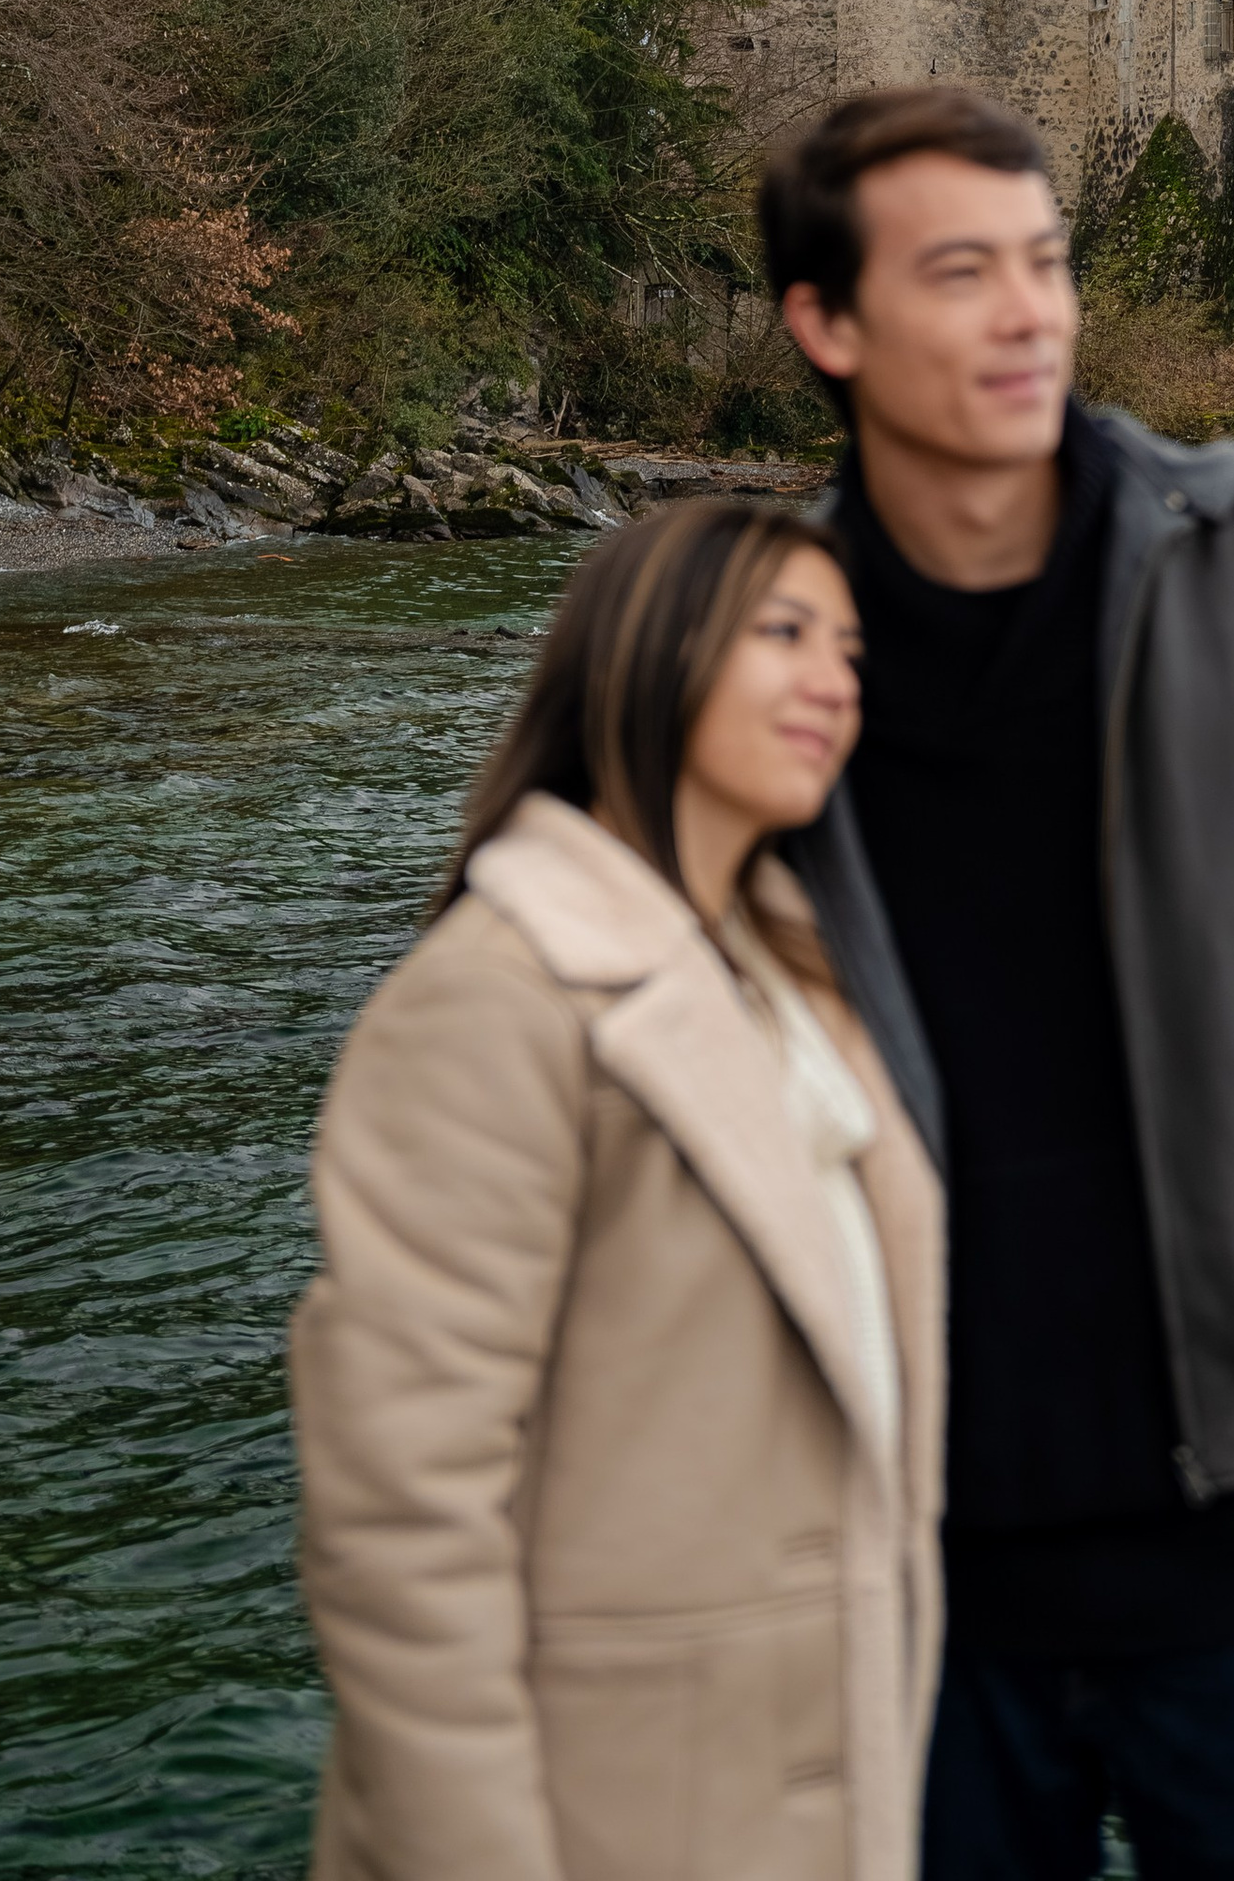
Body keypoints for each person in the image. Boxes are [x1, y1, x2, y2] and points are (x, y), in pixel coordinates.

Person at [760, 84, 1234, 1881]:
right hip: (892, 1577)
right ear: (828, 324)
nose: (1032, 312)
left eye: (1048, 262)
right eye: (964, 273)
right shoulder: (746, 650)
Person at [289, 501, 943, 1881]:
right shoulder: (493, 997)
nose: (834, 677)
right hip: (610, 1813)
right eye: (784, 633)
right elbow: (404, 1525)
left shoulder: (797, 981)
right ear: (652, 654)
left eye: (849, 647)